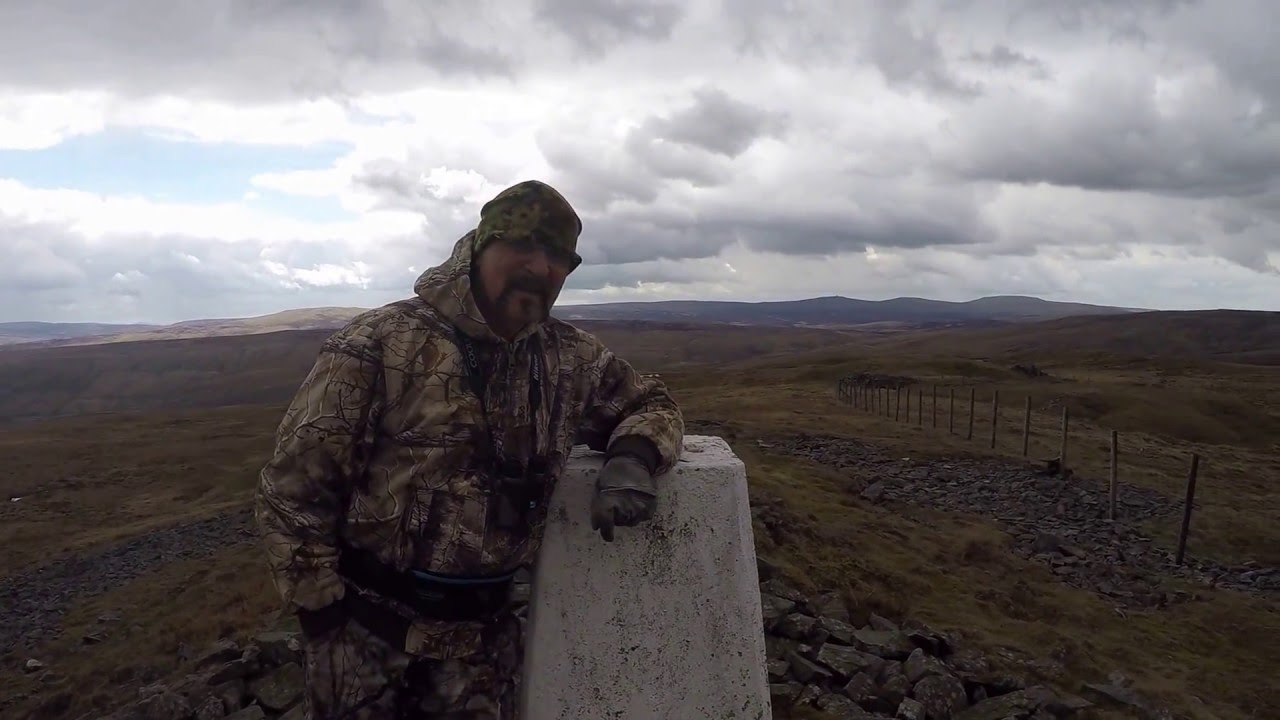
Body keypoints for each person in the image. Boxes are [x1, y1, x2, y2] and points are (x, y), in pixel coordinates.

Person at [254, 179, 685, 719]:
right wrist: (322, 617)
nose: (540, 267)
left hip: (483, 651)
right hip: (369, 640)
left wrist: (632, 459)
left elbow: (652, 401)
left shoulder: (571, 358)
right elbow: (294, 488)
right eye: (523, 246)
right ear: (481, 246)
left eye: (558, 257)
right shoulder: (381, 342)